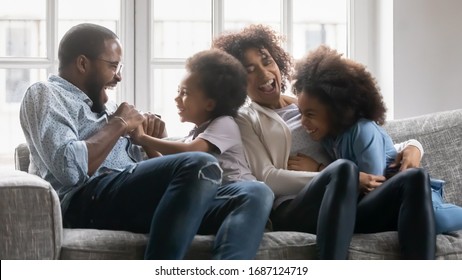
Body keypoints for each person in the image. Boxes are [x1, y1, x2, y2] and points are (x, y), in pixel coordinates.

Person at [20, 23, 252, 260]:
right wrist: (119, 122)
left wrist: (149, 137)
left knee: (252, 193)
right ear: (82, 64)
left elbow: (141, 164)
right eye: (113, 66)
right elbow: (69, 169)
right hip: (85, 200)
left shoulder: (109, 106)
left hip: (129, 194)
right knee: (200, 163)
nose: (119, 76)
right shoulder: (45, 94)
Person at [213, 24, 432, 259]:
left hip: (348, 203)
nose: (264, 74)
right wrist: (332, 175)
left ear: (277, 60)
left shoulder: (308, 102)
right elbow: (267, 177)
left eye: (266, 61)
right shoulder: (245, 119)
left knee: (416, 178)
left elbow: (370, 138)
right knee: (344, 168)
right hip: (294, 209)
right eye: (249, 70)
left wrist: (413, 147)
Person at [292, 45, 462, 235]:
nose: (303, 122)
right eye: (300, 112)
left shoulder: (361, 131)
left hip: (415, 198)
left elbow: (373, 186)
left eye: (310, 114)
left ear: (335, 110)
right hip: (392, 207)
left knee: (433, 220)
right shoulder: (327, 136)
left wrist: (319, 170)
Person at [129, 49, 274, 259]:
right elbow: (174, 167)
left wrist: (143, 139)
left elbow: (193, 153)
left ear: (210, 103)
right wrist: (150, 145)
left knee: (257, 190)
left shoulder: (224, 124)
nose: (177, 98)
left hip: (237, 194)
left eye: (185, 93)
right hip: (210, 200)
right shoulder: (195, 134)